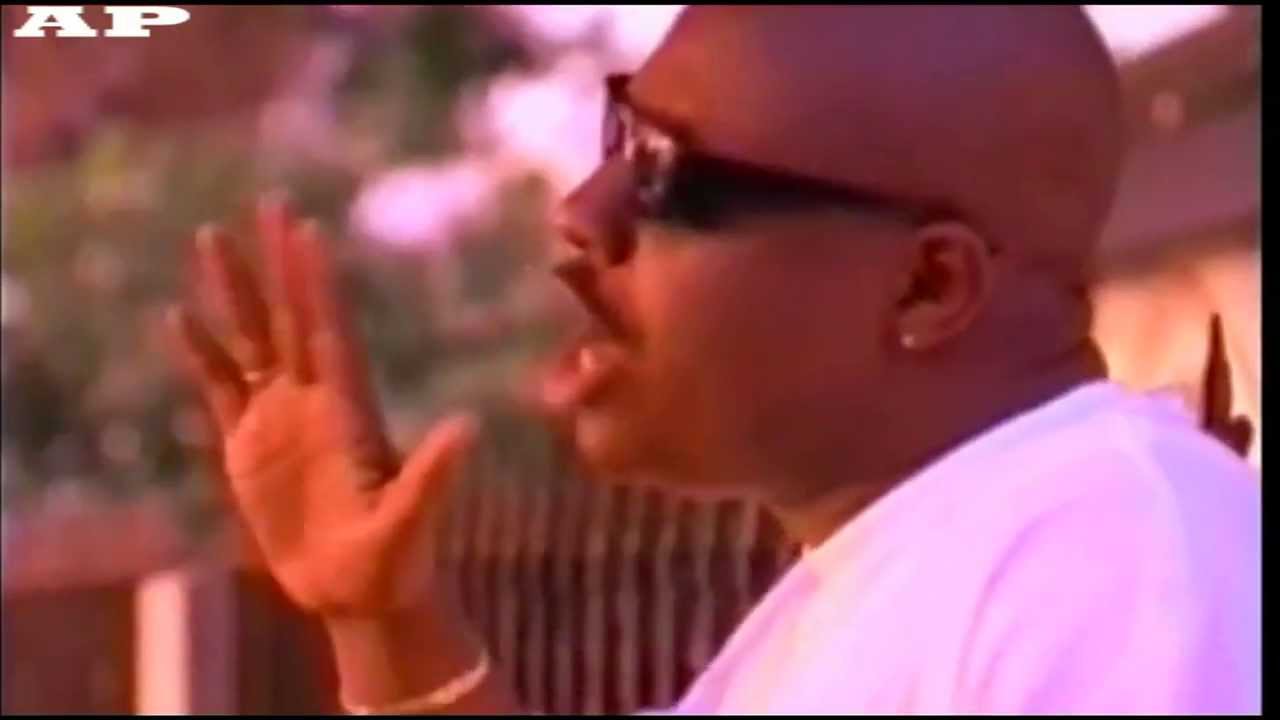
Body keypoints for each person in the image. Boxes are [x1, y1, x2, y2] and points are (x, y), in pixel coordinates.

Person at [168, 5, 1260, 714]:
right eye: (617, 138)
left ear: (927, 286)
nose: (578, 215)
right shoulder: (923, 562)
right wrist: (389, 625)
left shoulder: (1108, 564)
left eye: (660, 168)